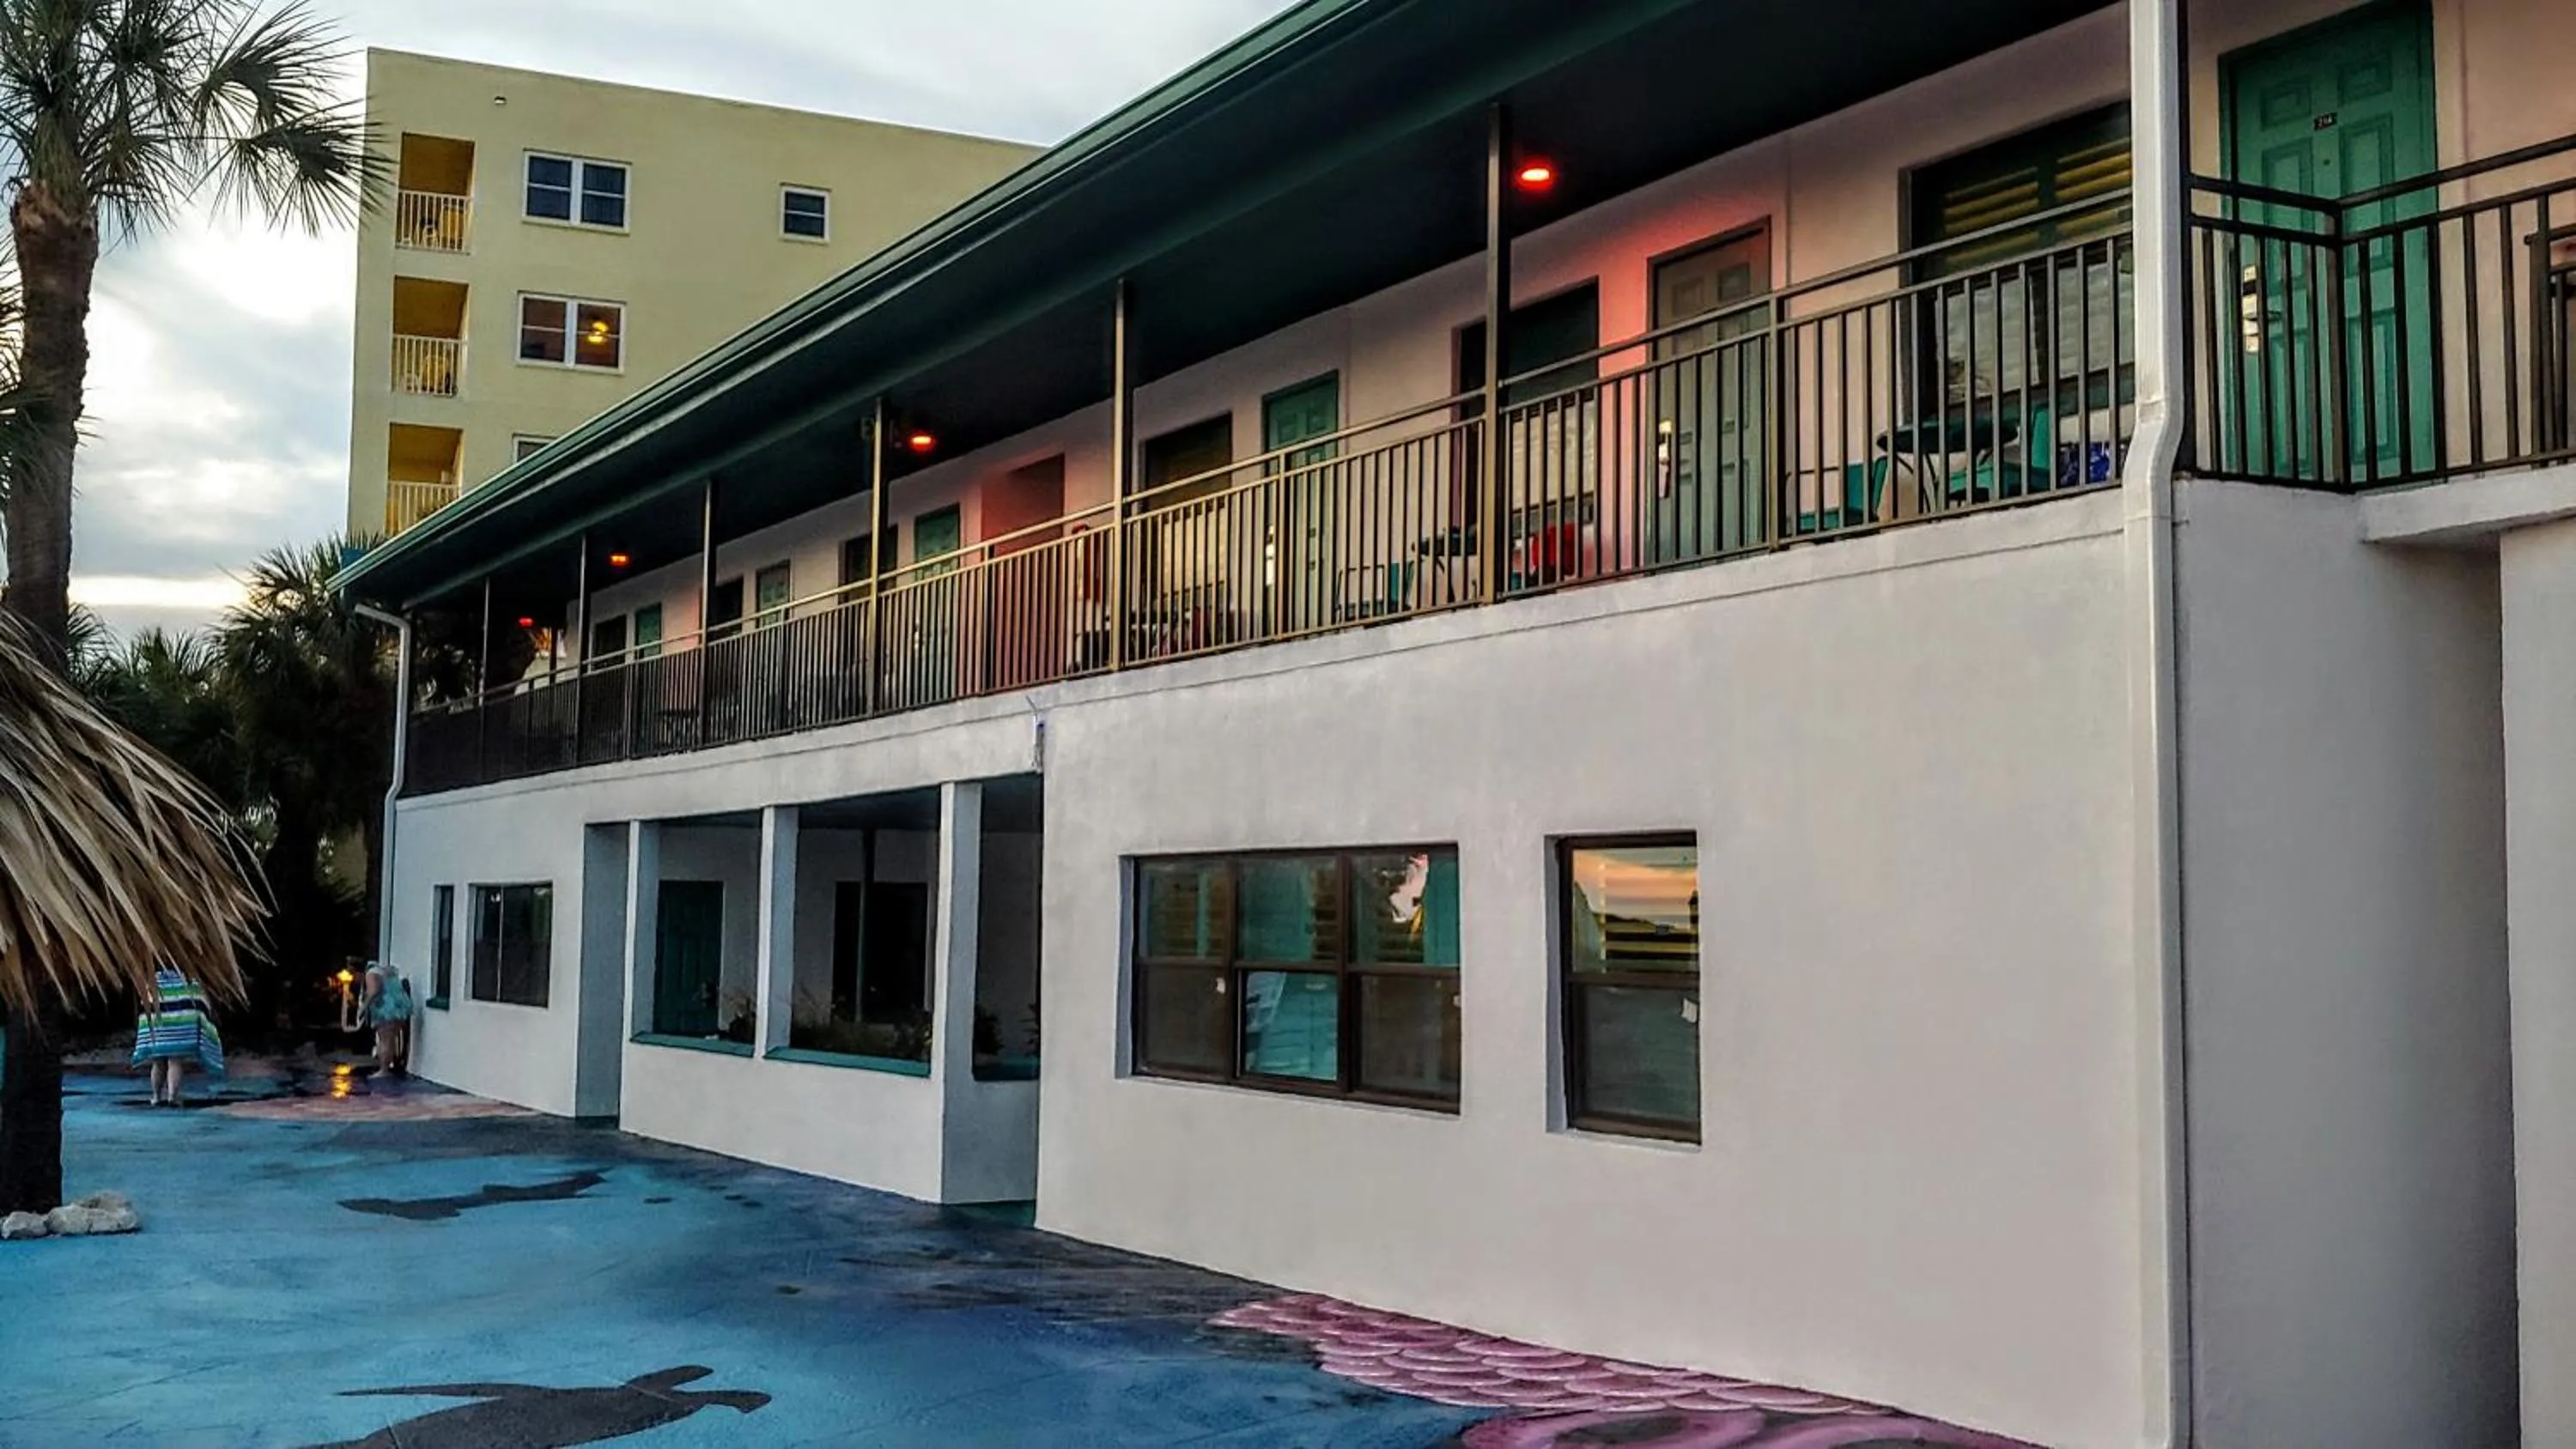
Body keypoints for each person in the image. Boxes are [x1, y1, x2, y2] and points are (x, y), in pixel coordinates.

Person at [132, 966, 223, 1106]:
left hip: (157, 1024)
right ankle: (172, 1097)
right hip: (180, 1024)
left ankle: (156, 1097)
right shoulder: (186, 978)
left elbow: (145, 1000)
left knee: (157, 1061)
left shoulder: (153, 979)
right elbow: (199, 1001)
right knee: (175, 1061)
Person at [361, 960, 416, 1077]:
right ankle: (386, 1068)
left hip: (386, 1009)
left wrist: (364, 1007)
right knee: (390, 1040)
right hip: (400, 1008)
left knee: (384, 1040)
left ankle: (383, 1070)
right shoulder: (384, 972)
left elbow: (374, 990)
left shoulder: (371, 973)